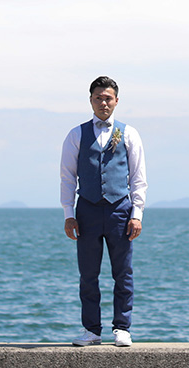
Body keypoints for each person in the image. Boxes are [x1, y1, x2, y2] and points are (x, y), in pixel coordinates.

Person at [59, 75, 147, 347]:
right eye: (98, 98)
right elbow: (67, 177)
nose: (103, 102)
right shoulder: (76, 134)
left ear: (116, 101)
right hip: (86, 210)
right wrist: (68, 214)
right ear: (91, 101)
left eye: (108, 98)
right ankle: (91, 330)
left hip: (120, 210)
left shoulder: (129, 133)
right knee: (88, 274)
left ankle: (122, 328)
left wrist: (137, 214)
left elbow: (138, 177)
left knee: (123, 272)